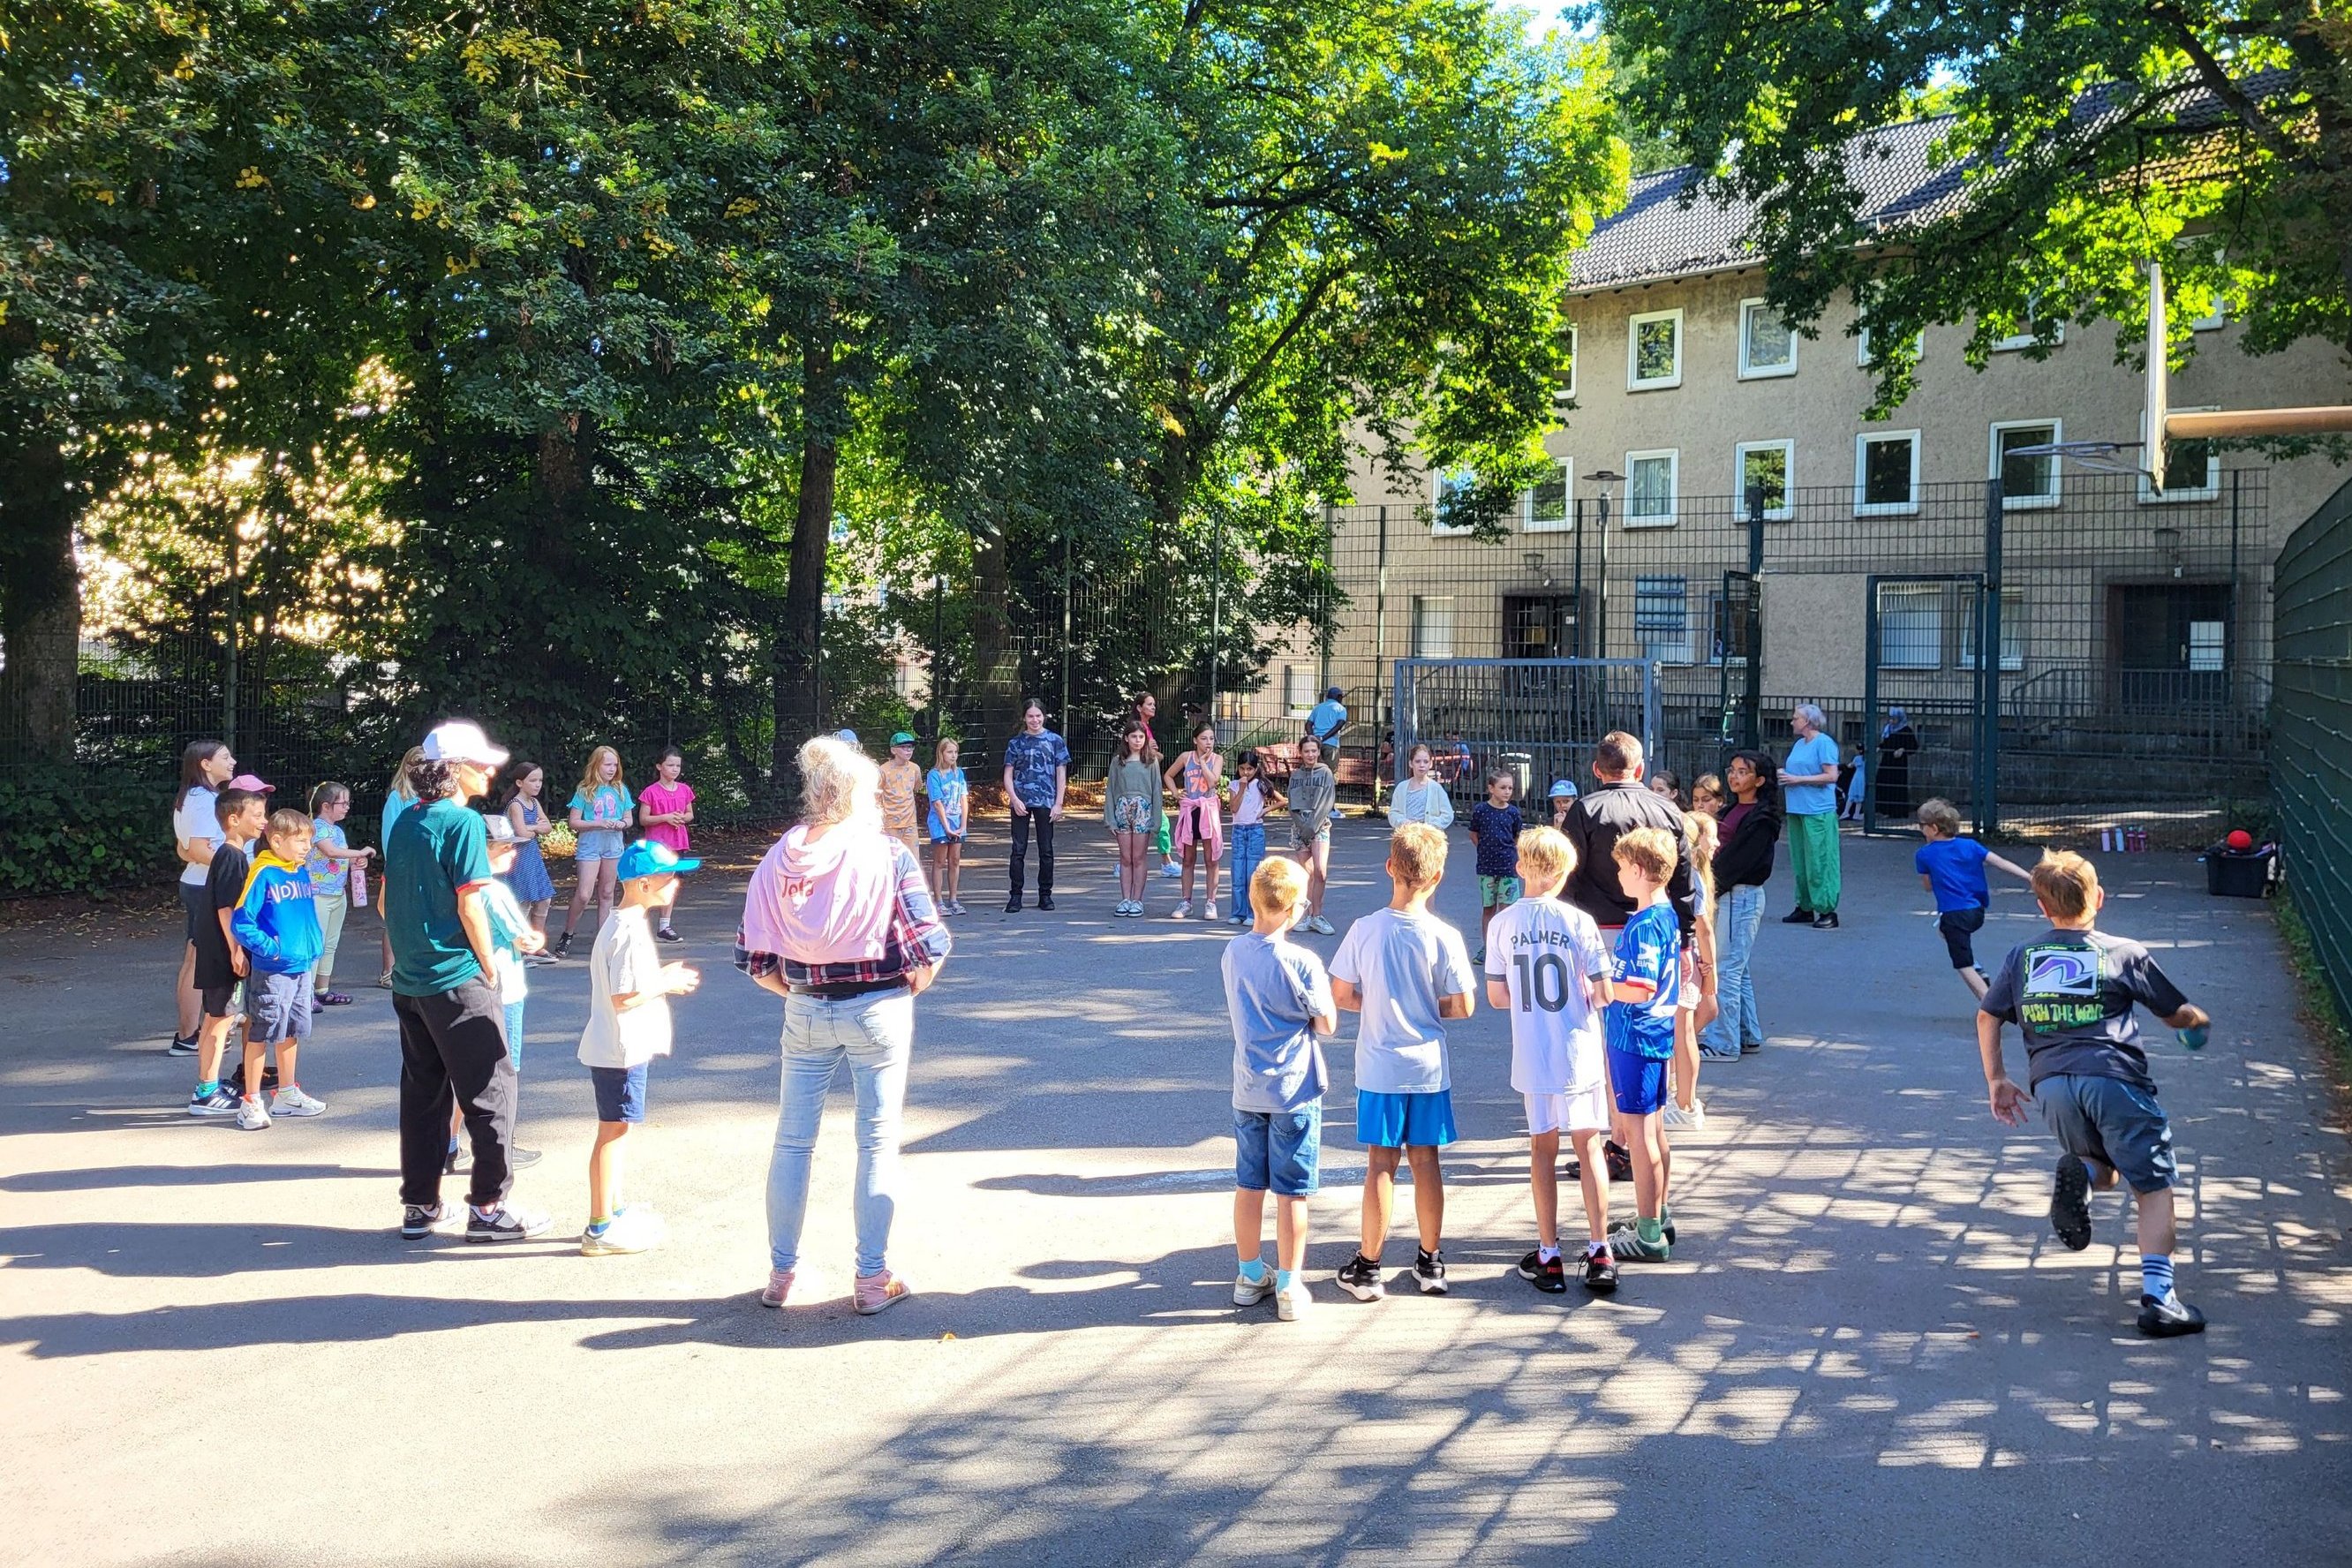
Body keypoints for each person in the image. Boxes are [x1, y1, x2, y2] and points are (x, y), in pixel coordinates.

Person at [737, 734, 952, 1315]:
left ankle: (782, 1274)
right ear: (863, 795)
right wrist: (906, 992)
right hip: (879, 1006)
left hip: (805, 1006)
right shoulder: (886, 854)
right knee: (877, 1142)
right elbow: (930, 945)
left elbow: (754, 959)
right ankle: (871, 1278)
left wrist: (800, 991)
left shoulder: (781, 854)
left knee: (792, 1141)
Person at [1977, 850, 2213, 1337]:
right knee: (2152, 1184)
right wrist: (2196, 1023)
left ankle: (2081, 1173)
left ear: (2043, 909)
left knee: (2101, 1166)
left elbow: (1987, 1015)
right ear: (2099, 898)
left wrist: (1997, 1080)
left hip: (2053, 1085)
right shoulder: (2122, 952)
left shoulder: (2023, 956)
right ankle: (2160, 1299)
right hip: (2114, 1080)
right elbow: (2175, 1013)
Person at [386, 720, 549, 1243]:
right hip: (458, 978)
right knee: (491, 1091)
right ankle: (488, 1207)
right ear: (453, 770)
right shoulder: (463, 824)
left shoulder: (406, 821)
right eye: (481, 763)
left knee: (424, 1093)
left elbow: (390, 898)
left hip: (413, 983)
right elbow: (471, 902)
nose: (491, 769)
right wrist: (489, 967)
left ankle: (421, 1205)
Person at [1330, 823, 1475, 1301]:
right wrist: (1429, 1008)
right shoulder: (1444, 935)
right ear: (1437, 878)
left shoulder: (1365, 929)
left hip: (1380, 1065)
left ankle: (1369, 1265)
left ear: (1390, 867)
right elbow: (1464, 1004)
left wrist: (1373, 1003)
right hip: (1427, 1065)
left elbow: (1341, 993)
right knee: (1427, 1160)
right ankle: (1431, 1261)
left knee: (1380, 1164)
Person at [1482, 827, 1618, 1296]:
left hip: (1534, 1052)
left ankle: (1549, 1253)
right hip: (1577, 1049)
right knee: (1590, 1148)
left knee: (1542, 1151)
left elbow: (1498, 997)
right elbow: (1603, 992)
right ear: (1564, 873)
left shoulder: (1501, 923)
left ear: (1521, 868)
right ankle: (1601, 1250)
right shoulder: (1580, 922)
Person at [1222, 856, 1337, 1323]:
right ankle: (1289, 1283)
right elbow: (1326, 1024)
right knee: (1293, 1191)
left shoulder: (1233, 951)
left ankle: (1251, 1273)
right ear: (1292, 911)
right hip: (1294, 1088)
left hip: (1248, 1086)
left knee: (1250, 1184)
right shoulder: (1303, 961)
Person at [578, 840, 703, 1255]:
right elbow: (623, 998)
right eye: (670, 877)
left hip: (621, 1047)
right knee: (613, 1130)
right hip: (620, 1049)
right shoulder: (628, 931)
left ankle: (612, 1210)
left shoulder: (623, 923)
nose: (677, 883)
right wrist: (665, 982)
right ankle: (598, 1227)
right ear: (645, 884)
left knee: (619, 1127)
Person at [1602, 826, 1682, 1263]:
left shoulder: (1645, 924)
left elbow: (1640, 986)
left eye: (1620, 868)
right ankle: (1657, 1213)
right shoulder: (1666, 915)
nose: (1617, 876)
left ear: (1637, 869)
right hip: (1655, 1035)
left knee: (1639, 1136)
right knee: (1653, 1131)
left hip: (1635, 1037)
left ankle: (1649, 1232)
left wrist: (1601, 986)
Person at [228, 805, 329, 1130]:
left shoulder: (299, 871)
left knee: (292, 1029)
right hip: (273, 969)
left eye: (308, 840)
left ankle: (286, 1093)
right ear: (275, 840)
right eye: (300, 840)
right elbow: (243, 922)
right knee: (263, 1030)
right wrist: (271, 949)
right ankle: (251, 1101)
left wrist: (312, 947)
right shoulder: (263, 872)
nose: (307, 847)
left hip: (301, 965)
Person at [185, 785, 265, 1118]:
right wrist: (236, 951)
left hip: (219, 948)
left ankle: (210, 1085)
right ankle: (205, 1091)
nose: (264, 822)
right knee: (221, 1018)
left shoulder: (228, 854)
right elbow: (227, 909)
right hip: (223, 950)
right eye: (257, 815)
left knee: (219, 1017)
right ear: (234, 819)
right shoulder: (232, 857)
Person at [1915, 797, 2034, 999]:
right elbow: (2000, 862)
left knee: (1963, 965)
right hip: (1976, 912)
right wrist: (2030, 877)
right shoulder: (1970, 846)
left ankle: (1990, 1004)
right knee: (1944, 931)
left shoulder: (1924, 854)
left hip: (1954, 915)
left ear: (1934, 828)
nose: (1921, 829)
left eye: (1922, 825)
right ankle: (1979, 971)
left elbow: (1927, 887)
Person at [1704, 750, 1780, 1060]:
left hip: (1740, 895)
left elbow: (1738, 862)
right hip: (1731, 895)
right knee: (1739, 967)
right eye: (1732, 770)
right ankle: (1748, 1034)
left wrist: (1710, 889)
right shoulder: (1734, 809)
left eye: (1743, 772)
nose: (1734, 776)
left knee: (1726, 970)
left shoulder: (1761, 818)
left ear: (1759, 780)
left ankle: (1723, 1043)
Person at [169, 739, 237, 1054]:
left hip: (199, 883)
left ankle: (194, 1031)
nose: (232, 761)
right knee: (198, 962)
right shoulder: (201, 799)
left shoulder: (199, 797)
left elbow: (185, 849)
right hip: (203, 887)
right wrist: (238, 866)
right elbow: (195, 849)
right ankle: (188, 1035)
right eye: (225, 757)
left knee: (195, 959)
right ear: (205, 764)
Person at [479, 816, 544, 1101]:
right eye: (504, 847)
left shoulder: (465, 887)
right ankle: (503, 1142)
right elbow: (524, 939)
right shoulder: (496, 891)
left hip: (478, 986)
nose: (513, 852)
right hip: (507, 987)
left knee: (474, 1067)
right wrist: (538, 938)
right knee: (506, 1069)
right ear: (484, 850)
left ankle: (453, 1139)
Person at [1666, 811, 1721, 1131]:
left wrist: (1710, 974)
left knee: (1682, 1031)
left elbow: (1704, 930)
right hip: (1687, 956)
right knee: (1680, 1031)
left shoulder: (1687, 877)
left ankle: (1685, 1104)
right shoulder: (1690, 875)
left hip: (1683, 957)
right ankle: (1680, 1097)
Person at [554, 745, 633, 958]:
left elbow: (629, 820)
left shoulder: (620, 789)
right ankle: (568, 933)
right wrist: (598, 823)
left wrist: (620, 824)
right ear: (596, 765)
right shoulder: (584, 790)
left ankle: (604, 940)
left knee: (607, 893)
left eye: (615, 764)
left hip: (613, 845)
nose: (612, 769)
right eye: (607, 764)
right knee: (584, 893)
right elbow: (574, 822)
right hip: (590, 845)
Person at [305, 781, 371, 1007]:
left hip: (336, 894)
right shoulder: (317, 827)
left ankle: (321, 989)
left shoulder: (337, 830)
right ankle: (306, 995)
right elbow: (330, 851)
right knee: (316, 944)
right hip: (318, 895)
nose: (346, 807)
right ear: (325, 805)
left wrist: (356, 860)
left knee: (330, 944)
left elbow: (340, 856)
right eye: (342, 803)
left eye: (347, 803)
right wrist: (361, 852)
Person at [1778, 704, 1843, 929]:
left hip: (1817, 810)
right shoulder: (1799, 744)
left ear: (1807, 721)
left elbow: (1831, 776)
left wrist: (1797, 780)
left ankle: (1826, 909)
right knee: (1800, 860)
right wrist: (1786, 775)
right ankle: (1804, 906)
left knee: (1820, 861)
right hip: (1797, 808)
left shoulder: (1824, 743)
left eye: (1795, 718)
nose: (1792, 721)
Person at [1001, 699, 1070, 913]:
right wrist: (1014, 799)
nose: (1034, 720)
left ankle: (1045, 895)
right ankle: (1015, 896)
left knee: (1046, 849)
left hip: (1046, 801)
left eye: (1038, 716)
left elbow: (1061, 772)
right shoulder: (1016, 743)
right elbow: (1008, 774)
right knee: (1018, 850)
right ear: (1024, 718)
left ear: (1044, 716)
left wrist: (1058, 802)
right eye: (1030, 716)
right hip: (1021, 800)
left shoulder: (1054, 741)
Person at [1104, 720, 1165, 918]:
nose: (1137, 740)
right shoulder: (1118, 761)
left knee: (1138, 857)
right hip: (1122, 810)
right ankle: (1125, 898)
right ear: (1126, 738)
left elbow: (1157, 790)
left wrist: (1156, 819)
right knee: (1125, 858)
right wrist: (1110, 819)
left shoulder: (1151, 761)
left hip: (1143, 811)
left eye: (1141, 737)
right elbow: (1111, 790)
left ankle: (1138, 899)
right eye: (1134, 737)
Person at [1165, 722, 1225, 919]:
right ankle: (1186, 901)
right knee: (1188, 859)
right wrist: (1175, 794)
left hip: (1208, 809)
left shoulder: (1217, 759)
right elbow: (1168, 775)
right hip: (1190, 809)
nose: (1208, 742)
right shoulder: (1186, 757)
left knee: (1211, 858)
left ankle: (1211, 902)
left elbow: (1212, 782)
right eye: (1204, 738)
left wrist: (1203, 763)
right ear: (1195, 740)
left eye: (1211, 738)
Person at [637, 746, 697, 941]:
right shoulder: (650, 792)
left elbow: (690, 814)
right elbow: (644, 819)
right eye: (670, 765)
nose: (674, 769)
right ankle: (640, 923)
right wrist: (665, 818)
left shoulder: (685, 790)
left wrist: (681, 818)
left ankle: (665, 925)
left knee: (671, 883)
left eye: (677, 765)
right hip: (657, 844)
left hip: (677, 843)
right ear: (659, 767)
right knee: (655, 883)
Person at [377, 746, 424, 989]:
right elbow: (389, 836)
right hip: (402, 867)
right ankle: (388, 970)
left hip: (423, 868)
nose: (421, 767)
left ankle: (411, 968)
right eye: (417, 763)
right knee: (394, 919)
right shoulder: (398, 797)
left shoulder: (429, 795)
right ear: (407, 766)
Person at [1466, 769, 1525, 965]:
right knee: (1489, 908)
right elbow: (1474, 833)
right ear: (1491, 788)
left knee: (1508, 908)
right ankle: (1488, 946)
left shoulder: (1513, 812)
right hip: (1486, 868)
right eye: (1503, 787)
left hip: (1508, 867)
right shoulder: (1481, 810)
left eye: (1510, 788)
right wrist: (1484, 849)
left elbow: (1517, 836)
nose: (1507, 791)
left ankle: (1507, 945)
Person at [500, 762, 559, 943]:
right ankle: (521, 944)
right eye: (532, 780)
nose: (537, 784)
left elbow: (548, 826)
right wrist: (535, 827)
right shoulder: (515, 804)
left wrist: (533, 828)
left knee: (544, 899)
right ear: (519, 783)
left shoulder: (534, 802)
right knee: (522, 901)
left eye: (540, 780)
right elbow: (522, 833)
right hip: (518, 858)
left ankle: (536, 943)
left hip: (533, 856)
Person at [1285, 734, 1338, 935]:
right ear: (1301, 753)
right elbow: (1291, 803)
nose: (1310, 754)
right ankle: (1306, 915)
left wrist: (1311, 827)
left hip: (1319, 826)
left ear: (1319, 752)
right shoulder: (1296, 776)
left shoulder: (1325, 773)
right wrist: (1301, 826)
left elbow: (1326, 802)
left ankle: (1318, 915)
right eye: (1306, 751)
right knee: (1305, 874)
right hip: (1300, 827)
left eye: (1314, 751)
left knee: (1320, 871)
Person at [1129, 690, 1180, 879]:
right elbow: (1145, 755)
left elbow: (1152, 754)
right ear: (1139, 708)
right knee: (1160, 823)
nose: (1153, 707)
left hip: (1149, 782)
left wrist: (1156, 755)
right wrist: (1157, 755)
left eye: (1154, 704)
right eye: (1149, 704)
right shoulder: (1138, 729)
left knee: (1138, 824)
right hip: (1143, 784)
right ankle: (1166, 862)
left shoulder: (1145, 727)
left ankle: (1125, 862)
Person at [1225, 750, 1272, 927]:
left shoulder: (1261, 784)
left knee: (1252, 874)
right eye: (1242, 768)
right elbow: (1234, 808)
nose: (1246, 772)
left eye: (1250, 769)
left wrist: (1265, 810)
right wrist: (1242, 788)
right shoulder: (1234, 785)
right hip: (1238, 830)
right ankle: (1238, 912)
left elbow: (1282, 800)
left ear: (1256, 768)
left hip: (1255, 831)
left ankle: (1254, 913)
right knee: (1238, 873)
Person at [925, 736, 969, 916]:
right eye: (949, 752)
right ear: (941, 753)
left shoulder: (959, 774)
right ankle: (939, 900)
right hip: (940, 823)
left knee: (955, 860)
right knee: (940, 861)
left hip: (957, 821)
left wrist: (963, 824)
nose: (953, 756)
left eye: (955, 752)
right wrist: (947, 827)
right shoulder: (934, 775)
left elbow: (963, 798)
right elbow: (937, 803)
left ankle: (954, 898)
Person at [878, 733, 925, 866]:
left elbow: (917, 786)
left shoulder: (915, 769)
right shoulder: (883, 770)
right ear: (893, 750)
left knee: (914, 860)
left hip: (910, 822)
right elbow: (877, 794)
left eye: (911, 747)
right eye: (904, 747)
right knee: (891, 861)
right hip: (890, 823)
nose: (909, 750)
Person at [1384, 743, 1455, 831]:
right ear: (1411, 763)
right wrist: (1404, 823)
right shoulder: (1401, 787)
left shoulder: (1436, 788)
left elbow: (1448, 815)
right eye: (1418, 761)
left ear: (1430, 764)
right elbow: (1393, 813)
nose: (1422, 765)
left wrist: (1431, 825)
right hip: (1406, 835)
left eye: (1425, 762)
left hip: (1429, 837)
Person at [1876, 706, 1919, 822]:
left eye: (1894, 719)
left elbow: (1913, 746)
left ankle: (1897, 812)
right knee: (1882, 782)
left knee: (1897, 785)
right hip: (1887, 761)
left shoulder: (1906, 730)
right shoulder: (1889, 729)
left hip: (1898, 764)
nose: (1891, 721)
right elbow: (1885, 743)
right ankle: (1884, 809)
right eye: (1890, 718)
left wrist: (1903, 749)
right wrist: (1880, 747)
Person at [1306, 685, 1348, 750]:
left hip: (1316, 745)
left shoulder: (1317, 708)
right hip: (1331, 743)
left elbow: (1308, 725)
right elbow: (1339, 725)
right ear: (1339, 697)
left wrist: (1313, 739)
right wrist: (1323, 738)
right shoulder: (1341, 709)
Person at [1838, 746, 1867, 823]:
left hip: (1857, 776)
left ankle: (1846, 812)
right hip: (1864, 777)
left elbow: (1850, 766)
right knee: (1859, 796)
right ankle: (1856, 813)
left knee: (1852, 795)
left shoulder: (1857, 758)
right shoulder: (1867, 759)